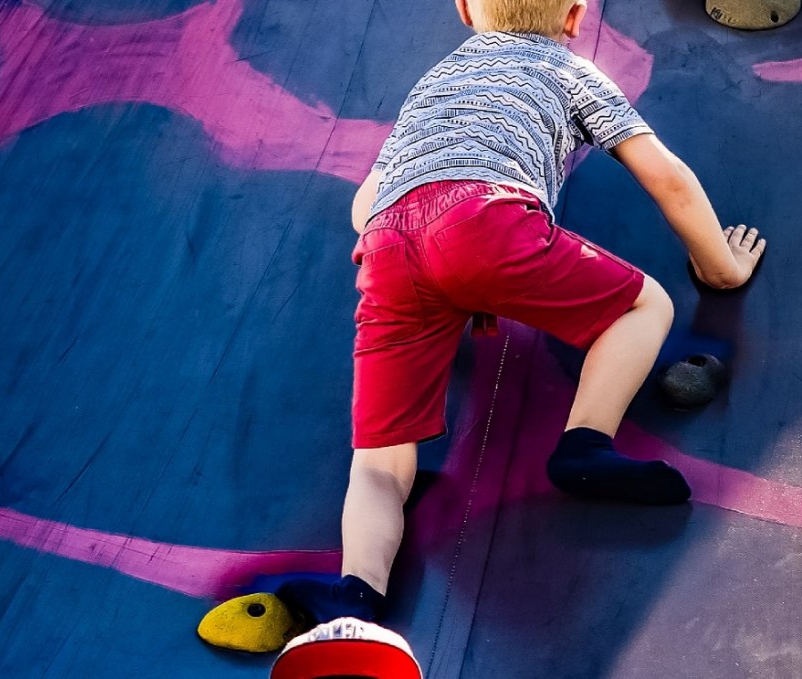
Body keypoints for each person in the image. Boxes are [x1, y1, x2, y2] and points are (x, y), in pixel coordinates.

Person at [279, 0, 767, 626]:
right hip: (486, 221)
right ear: (574, 16)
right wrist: (720, 269)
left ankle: (358, 591)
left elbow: (363, 207)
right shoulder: (570, 72)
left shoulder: (431, 83)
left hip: (388, 245)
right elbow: (665, 176)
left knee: (380, 456)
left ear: (464, 10)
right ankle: (586, 444)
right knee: (646, 305)